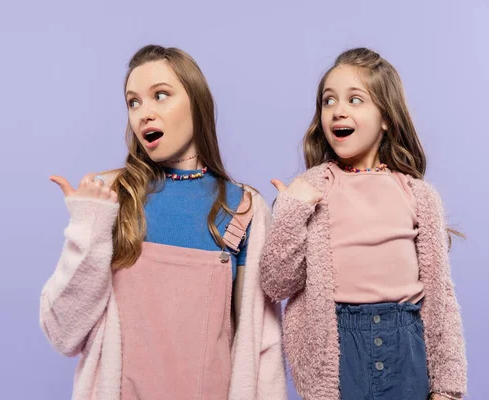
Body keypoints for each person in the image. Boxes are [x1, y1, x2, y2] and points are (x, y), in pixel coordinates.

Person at [41, 44, 286, 400]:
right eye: (133, 102)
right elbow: (63, 333)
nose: (144, 113)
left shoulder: (243, 208)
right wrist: (87, 226)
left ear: (197, 103)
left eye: (160, 95)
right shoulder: (110, 196)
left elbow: (260, 346)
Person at [260, 47, 466, 400]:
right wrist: (292, 210)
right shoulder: (312, 188)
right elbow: (276, 283)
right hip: (340, 347)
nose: (338, 110)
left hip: (407, 344)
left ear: (386, 117)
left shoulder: (418, 194)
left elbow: (441, 296)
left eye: (355, 100)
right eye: (328, 101)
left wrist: (447, 387)